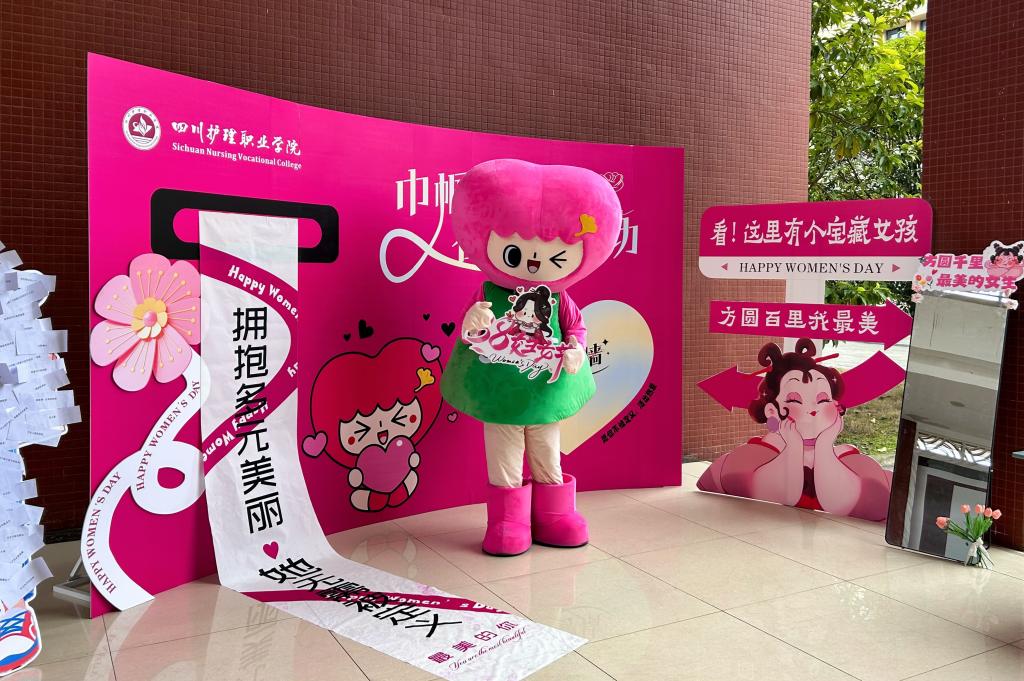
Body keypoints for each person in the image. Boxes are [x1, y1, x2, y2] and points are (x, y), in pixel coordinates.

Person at [441, 159, 621, 555]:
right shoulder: (489, 291)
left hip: (544, 389)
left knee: (546, 451)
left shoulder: (558, 298)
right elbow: (472, 332)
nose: (535, 264)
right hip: (500, 391)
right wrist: (473, 322)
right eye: (516, 253)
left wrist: (575, 350)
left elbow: (576, 328)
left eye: (555, 258)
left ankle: (554, 516)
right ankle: (508, 521)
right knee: (504, 454)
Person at [697, 339, 892, 521]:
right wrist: (793, 448)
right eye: (795, 400)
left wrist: (824, 447)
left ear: (836, 406)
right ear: (772, 411)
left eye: (823, 399)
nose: (812, 409)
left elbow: (871, 505)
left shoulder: (851, 460)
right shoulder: (754, 455)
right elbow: (771, 493)